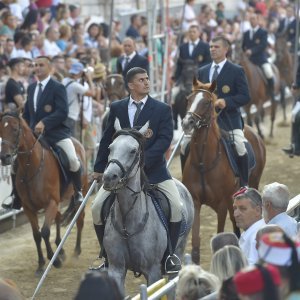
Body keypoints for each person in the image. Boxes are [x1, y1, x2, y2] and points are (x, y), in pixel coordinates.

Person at [91, 67, 183, 274]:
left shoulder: (161, 109)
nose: (147, 83)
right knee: (97, 208)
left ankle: (169, 255)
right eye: (142, 80)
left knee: (176, 206)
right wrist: (99, 168)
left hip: (154, 171)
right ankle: (106, 255)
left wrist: (142, 163)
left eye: (147, 79)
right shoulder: (116, 108)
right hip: (120, 175)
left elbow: (164, 140)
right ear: (131, 85)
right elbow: (106, 139)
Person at [4, 56, 84, 210]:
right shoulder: (32, 87)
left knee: (73, 159)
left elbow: (62, 112)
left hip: (56, 134)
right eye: (35, 65)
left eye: (41, 65)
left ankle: (78, 191)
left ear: (50, 68)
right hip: (35, 135)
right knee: (15, 164)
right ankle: (15, 197)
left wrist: (45, 122)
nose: (37, 68)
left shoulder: (58, 87)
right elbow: (28, 113)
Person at [198, 35, 250, 186]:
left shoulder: (236, 70)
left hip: (229, 120)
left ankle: (244, 184)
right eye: (211, 47)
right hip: (205, 121)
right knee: (185, 145)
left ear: (226, 49)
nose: (212, 49)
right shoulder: (202, 71)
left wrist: (226, 101)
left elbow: (245, 96)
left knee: (240, 145)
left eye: (216, 47)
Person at [242, 13, 276, 103]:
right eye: (250, 19)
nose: (251, 20)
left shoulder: (263, 32)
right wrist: (244, 52)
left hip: (260, 59)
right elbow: (243, 46)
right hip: (249, 61)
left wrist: (251, 51)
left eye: (253, 19)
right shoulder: (246, 33)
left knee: (268, 72)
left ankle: (271, 92)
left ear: (257, 20)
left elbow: (263, 45)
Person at [233, 187, 266, 265]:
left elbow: (252, 273)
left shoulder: (255, 239)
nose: (235, 214)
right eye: (235, 208)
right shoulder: (252, 232)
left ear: (258, 211)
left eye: (242, 209)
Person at [62, 61, 95, 138]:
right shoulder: (75, 86)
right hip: (71, 116)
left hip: (64, 114)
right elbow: (92, 93)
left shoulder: (64, 80)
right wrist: (90, 79)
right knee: (71, 140)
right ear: (80, 73)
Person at [282, 60, 300, 157]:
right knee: (295, 115)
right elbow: (299, 73)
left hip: (260, 59)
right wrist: (295, 85)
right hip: (252, 60)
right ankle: (295, 145)